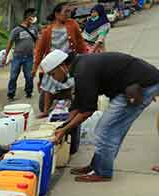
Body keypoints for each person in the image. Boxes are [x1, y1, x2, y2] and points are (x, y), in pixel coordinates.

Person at [42, 50, 159, 182]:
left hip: (141, 86)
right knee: (109, 130)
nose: (53, 79)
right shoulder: (80, 66)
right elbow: (79, 101)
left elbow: (88, 109)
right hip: (129, 86)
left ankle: (102, 172)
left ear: (61, 66)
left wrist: (65, 130)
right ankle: (96, 166)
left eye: (53, 74)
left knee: (105, 130)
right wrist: (63, 125)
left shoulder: (83, 71)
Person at [33, 2, 85, 117]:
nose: (68, 14)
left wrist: (85, 57)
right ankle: (46, 111)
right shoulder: (47, 31)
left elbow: (80, 43)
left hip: (69, 60)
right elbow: (39, 51)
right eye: (65, 11)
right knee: (47, 85)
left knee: (70, 85)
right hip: (53, 63)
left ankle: (72, 108)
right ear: (57, 14)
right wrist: (35, 67)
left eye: (69, 11)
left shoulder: (73, 25)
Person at [4, 8, 39, 101]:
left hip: (29, 57)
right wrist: (5, 56)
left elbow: (37, 41)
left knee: (29, 76)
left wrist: (37, 51)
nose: (34, 18)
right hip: (17, 57)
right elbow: (10, 42)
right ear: (27, 17)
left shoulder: (34, 29)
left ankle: (28, 92)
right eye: (33, 16)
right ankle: (11, 93)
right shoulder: (16, 30)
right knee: (13, 76)